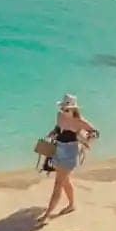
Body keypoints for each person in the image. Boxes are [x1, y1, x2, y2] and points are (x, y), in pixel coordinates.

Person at [40, 94, 99, 222]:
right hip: (58, 149)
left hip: (70, 153)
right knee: (65, 180)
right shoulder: (59, 115)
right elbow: (58, 127)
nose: (63, 111)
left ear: (73, 109)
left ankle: (47, 215)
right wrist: (53, 132)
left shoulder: (80, 122)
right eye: (62, 108)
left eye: (66, 109)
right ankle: (72, 205)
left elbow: (95, 132)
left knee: (58, 183)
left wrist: (86, 142)